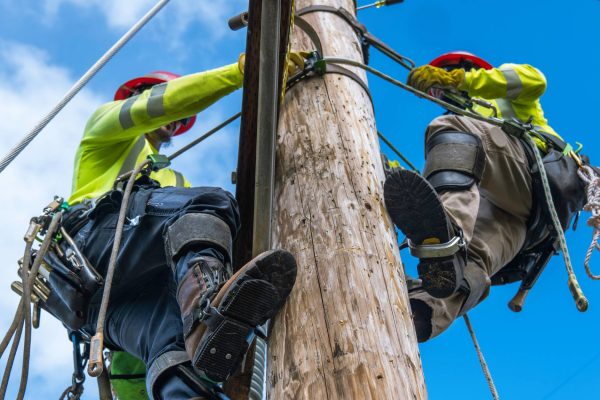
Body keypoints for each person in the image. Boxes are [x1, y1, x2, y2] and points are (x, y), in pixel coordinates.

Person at [60, 54, 305, 399]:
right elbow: (162, 103)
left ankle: (197, 338)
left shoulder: (172, 179)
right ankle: (206, 310)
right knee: (208, 204)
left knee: (173, 350)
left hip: (99, 303)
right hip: (92, 246)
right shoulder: (105, 127)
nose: (177, 122)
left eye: (185, 120)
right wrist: (240, 73)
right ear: (138, 93)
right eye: (177, 112)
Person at [383, 51, 587, 343]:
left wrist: (460, 80)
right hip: (524, 220)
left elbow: (535, 80)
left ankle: (448, 237)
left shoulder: (498, 97)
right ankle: (417, 317)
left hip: (532, 172)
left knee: (449, 130)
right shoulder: (469, 132)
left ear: (470, 70)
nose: (440, 92)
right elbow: (450, 179)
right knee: (470, 264)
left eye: (445, 80)